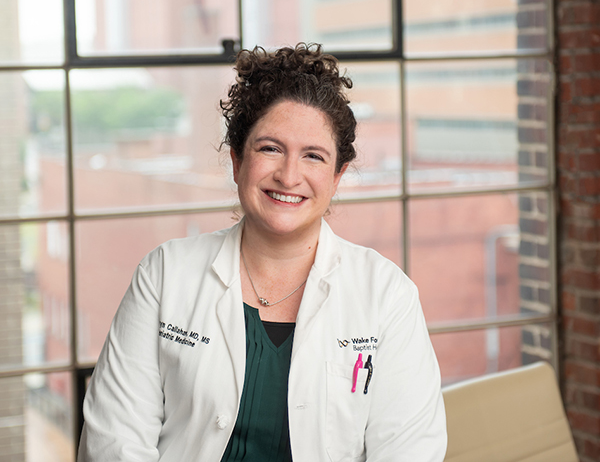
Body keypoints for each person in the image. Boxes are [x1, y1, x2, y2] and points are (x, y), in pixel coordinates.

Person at [78, 43, 447, 462]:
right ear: (237, 161)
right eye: (270, 148)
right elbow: (113, 443)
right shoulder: (165, 274)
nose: (289, 176)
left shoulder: (387, 295)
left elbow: (410, 451)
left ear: (337, 175)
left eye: (313, 156)